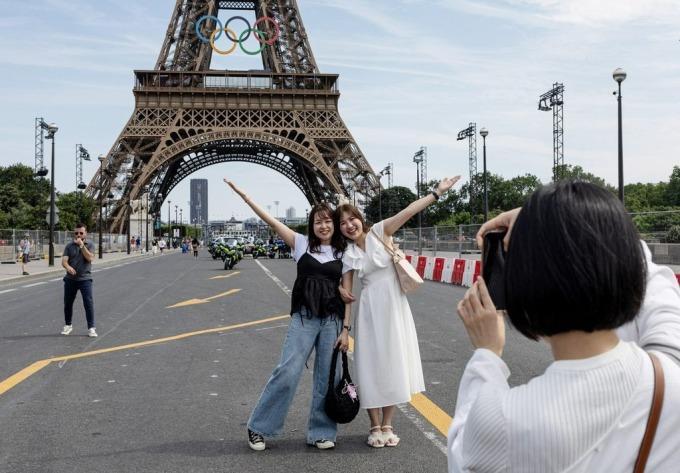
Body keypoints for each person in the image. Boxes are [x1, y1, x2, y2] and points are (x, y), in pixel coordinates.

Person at [447, 181, 680, 473]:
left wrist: (486, 354)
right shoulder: (670, 370)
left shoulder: (505, 422)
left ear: (524, 289)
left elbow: (461, 454)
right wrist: (562, 222)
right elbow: (655, 282)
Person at [224, 178, 352, 451]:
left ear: (334, 223)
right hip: (304, 317)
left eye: (328, 220)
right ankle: (259, 427)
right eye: (318, 221)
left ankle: (321, 431)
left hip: (332, 319)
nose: (324, 225)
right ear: (311, 225)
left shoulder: (345, 251)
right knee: (288, 370)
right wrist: (246, 197)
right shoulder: (301, 243)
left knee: (327, 376)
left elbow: (349, 294)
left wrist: (346, 330)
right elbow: (271, 221)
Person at [336, 175, 462, 448]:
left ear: (359, 217)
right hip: (369, 311)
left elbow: (408, 211)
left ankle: (388, 423)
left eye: (351, 219)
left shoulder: (381, 232)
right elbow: (348, 296)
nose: (349, 225)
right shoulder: (347, 255)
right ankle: (374, 425)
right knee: (370, 365)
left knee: (393, 361)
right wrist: (345, 330)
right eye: (342, 224)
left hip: (393, 307)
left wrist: (437, 193)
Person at [60, 223, 98, 338]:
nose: (78, 235)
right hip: (70, 279)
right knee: (68, 303)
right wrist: (67, 267)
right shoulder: (69, 246)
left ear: (85, 233)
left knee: (88, 303)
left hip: (85, 279)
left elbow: (90, 258)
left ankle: (91, 328)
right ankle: (68, 325)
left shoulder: (90, 244)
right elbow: (64, 261)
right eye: (76, 233)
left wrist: (82, 246)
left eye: (81, 233)